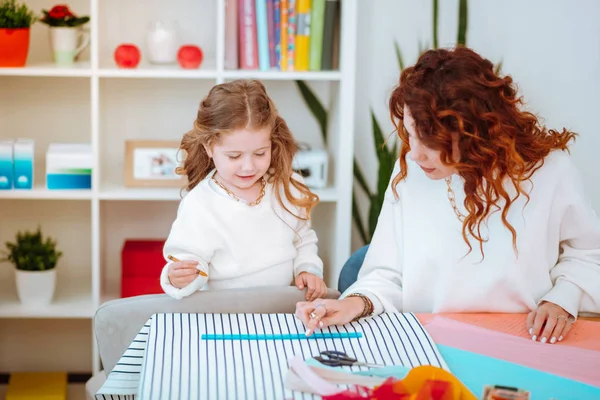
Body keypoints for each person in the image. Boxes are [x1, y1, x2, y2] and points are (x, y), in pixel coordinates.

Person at [297, 46, 600, 344]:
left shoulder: (551, 172)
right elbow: (387, 273)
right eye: (410, 135)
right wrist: (351, 304)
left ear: (473, 132)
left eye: (429, 141)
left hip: (525, 340)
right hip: (428, 340)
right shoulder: (411, 172)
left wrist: (562, 299)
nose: (414, 154)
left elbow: (588, 254)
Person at [161, 79, 327, 301]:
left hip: (284, 305)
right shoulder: (200, 204)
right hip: (225, 313)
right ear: (209, 147)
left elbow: (303, 239)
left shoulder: (287, 186)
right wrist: (178, 278)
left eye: (260, 153)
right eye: (234, 156)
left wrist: (307, 269)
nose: (248, 166)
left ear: (272, 142)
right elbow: (186, 259)